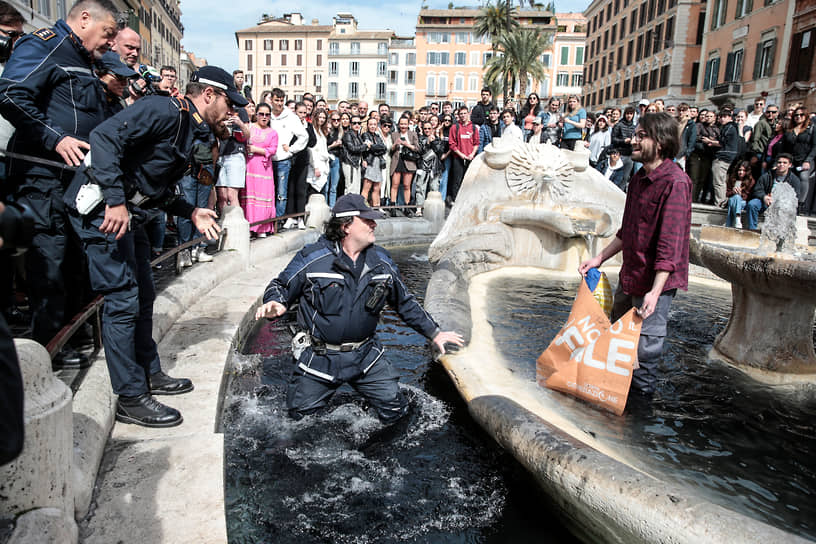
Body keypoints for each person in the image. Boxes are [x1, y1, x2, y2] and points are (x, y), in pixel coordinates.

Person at [63, 66, 246, 427]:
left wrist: (191, 210)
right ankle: (130, 397)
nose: (232, 111)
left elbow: (154, 187)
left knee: (144, 294)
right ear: (208, 95)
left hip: (127, 214)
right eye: (228, 102)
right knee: (122, 300)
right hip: (102, 212)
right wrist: (115, 200)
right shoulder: (163, 111)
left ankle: (149, 372)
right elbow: (103, 138)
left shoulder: (189, 127)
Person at [255, 194, 464, 422]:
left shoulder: (381, 262)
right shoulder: (313, 259)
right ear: (346, 226)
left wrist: (435, 333)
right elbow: (280, 285)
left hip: (366, 356)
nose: (374, 224)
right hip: (319, 358)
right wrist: (276, 301)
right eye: (366, 220)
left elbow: (405, 302)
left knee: (397, 411)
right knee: (298, 423)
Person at [0, 0, 118, 369]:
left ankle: (65, 340)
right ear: (85, 19)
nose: (110, 42)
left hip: (72, 183)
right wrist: (56, 138)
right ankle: (43, 357)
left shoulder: (84, 58)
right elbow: (9, 93)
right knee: (48, 268)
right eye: (108, 33)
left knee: (72, 265)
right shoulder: (45, 43)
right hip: (42, 179)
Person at [579, 113, 692, 396]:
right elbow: (626, 230)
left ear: (661, 142)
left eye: (642, 135)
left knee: (643, 359)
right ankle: (614, 400)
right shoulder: (639, 177)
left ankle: (637, 426)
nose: (633, 140)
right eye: (635, 134)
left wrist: (655, 292)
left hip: (654, 285)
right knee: (615, 344)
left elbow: (671, 244)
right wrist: (599, 258)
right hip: (631, 276)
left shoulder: (675, 183)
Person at [240, 102, 279, 238]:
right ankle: (250, 226)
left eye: (267, 115)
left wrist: (257, 150)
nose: (264, 117)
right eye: (261, 114)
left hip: (264, 169)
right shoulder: (249, 128)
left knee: (264, 197)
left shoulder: (273, 133)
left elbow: (273, 149)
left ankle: (262, 227)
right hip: (250, 167)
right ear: (256, 114)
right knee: (250, 197)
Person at [268, 88, 308, 217]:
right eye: (276, 100)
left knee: (281, 193)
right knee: (268, 192)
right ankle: (268, 219)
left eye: (281, 100)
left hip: (283, 160)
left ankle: (278, 219)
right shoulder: (267, 114)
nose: (279, 103)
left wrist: (291, 149)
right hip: (267, 159)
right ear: (271, 100)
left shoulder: (291, 117)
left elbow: (304, 136)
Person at [745, 153, 801, 230]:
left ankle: (777, 233)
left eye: (785, 163)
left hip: (782, 205)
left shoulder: (794, 180)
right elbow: (757, 190)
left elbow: (796, 196)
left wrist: (780, 201)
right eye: (779, 162)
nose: (781, 164)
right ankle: (752, 229)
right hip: (765, 202)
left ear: (790, 165)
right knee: (752, 204)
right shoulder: (767, 175)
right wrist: (764, 197)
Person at [708, 108, 740, 207]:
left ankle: (720, 203)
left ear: (730, 117)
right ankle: (722, 202)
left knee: (718, 182)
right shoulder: (731, 127)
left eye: (724, 117)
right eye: (720, 117)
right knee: (721, 181)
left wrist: (710, 141)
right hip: (727, 156)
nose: (722, 119)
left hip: (723, 157)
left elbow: (722, 143)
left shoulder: (729, 127)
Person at [388, 115, 420, 216]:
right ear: (398, 124)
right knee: (395, 185)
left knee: (407, 185)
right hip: (397, 161)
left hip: (409, 161)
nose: (403, 126)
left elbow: (418, 149)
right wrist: (395, 144)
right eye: (401, 124)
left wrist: (407, 144)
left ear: (408, 124)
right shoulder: (393, 134)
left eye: (405, 124)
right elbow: (390, 150)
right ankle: (392, 207)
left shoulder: (413, 134)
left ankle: (407, 208)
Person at [448, 106, 478, 205]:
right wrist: (461, 155)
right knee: (457, 180)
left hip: (470, 158)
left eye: (465, 113)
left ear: (468, 114)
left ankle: (468, 199)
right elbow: (452, 144)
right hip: (458, 158)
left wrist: (472, 154)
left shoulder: (473, 127)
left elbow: (476, 143)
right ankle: (455, 200)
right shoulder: (454, 127)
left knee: (469, 180)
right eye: (461, 114)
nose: (463, 115)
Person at [360, 117, 387, 207]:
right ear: (367, 125)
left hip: (378, 163)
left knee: (377, 187)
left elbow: (384, 148)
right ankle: (363, 207)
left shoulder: (378, 136)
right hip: (370, 162)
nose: (372, 126)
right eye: (370, 124)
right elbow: (370, 148)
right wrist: (375, 147)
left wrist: (374, 147)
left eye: (374, 124)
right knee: (366, 187)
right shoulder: (365, 135)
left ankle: (376, 207)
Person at [308, 109, 331, 201]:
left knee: (320, 194)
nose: (321, 119)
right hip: (315, 165)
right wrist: (315, 167)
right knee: (313, 193)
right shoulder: (311, 130)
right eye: (320, 117)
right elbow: (312, 150)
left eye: (324, 118)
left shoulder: (322, 131)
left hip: (323, 165)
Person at [725, 160, 756, 229]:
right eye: (739, 170)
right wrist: (733, 192)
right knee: (735, 198)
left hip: (743, 203)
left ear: (747, 171)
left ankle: (729, 224)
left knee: (737, 198)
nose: (741, 172)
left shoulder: (751, 181)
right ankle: (737, 218)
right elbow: (727, 193)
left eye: (744, 170)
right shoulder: (732, 179)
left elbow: (750, 196)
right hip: (732, 200)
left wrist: (740, 193)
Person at [341, 115, 366, 197]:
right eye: (354, 123)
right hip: (349, 163)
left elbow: (360, 150)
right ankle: (348, 207)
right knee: (350, 187)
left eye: (359, 123)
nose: (357, 125)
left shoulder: (358, 135)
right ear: (350, 124)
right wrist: (365, 146)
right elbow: (352, 148)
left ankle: (354, 207)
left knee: (357, 187)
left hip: (356, 164)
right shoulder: (347, 134)